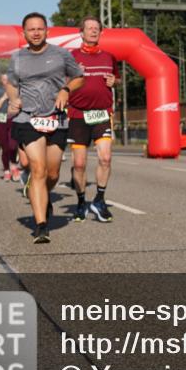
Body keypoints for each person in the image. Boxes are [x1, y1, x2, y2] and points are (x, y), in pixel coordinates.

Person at [7, 12, 84, 244]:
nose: (36, 32)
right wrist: (13, 99)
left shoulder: (61, 54)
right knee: (37, 169)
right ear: (24, 33)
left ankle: (44, 195)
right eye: (31, 29)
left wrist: (66, 90)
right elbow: (12, 84)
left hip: (56, 118)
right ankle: (41, 225)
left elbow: (79, 77)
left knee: (52, 173)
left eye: (40, 28)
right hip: (28, 118)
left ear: (47, 31)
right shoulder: (17, 57)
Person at [66, 15, 118, 223]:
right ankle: (80, 201)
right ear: (81, 32)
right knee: (79, 164)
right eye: (89, 28)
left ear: (101, 32)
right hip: (78, 115)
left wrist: (115, 81)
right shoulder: (71, 56)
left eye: (97, 28)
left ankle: (99, 199)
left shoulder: (109, 57)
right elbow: (61, 82)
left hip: (102, 114)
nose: (94, 31)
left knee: (105, 158)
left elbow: (116, 79)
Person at [0, 73, 20, 181]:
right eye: (4, 79)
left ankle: (14, 165)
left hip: (13, 119)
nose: (6, 81)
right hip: (1, 120)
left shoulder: (17, 91)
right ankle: (7, 170)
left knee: (13, 145)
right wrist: (3, 98)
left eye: (8, 79)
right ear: (1, 81)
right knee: (5, 148)